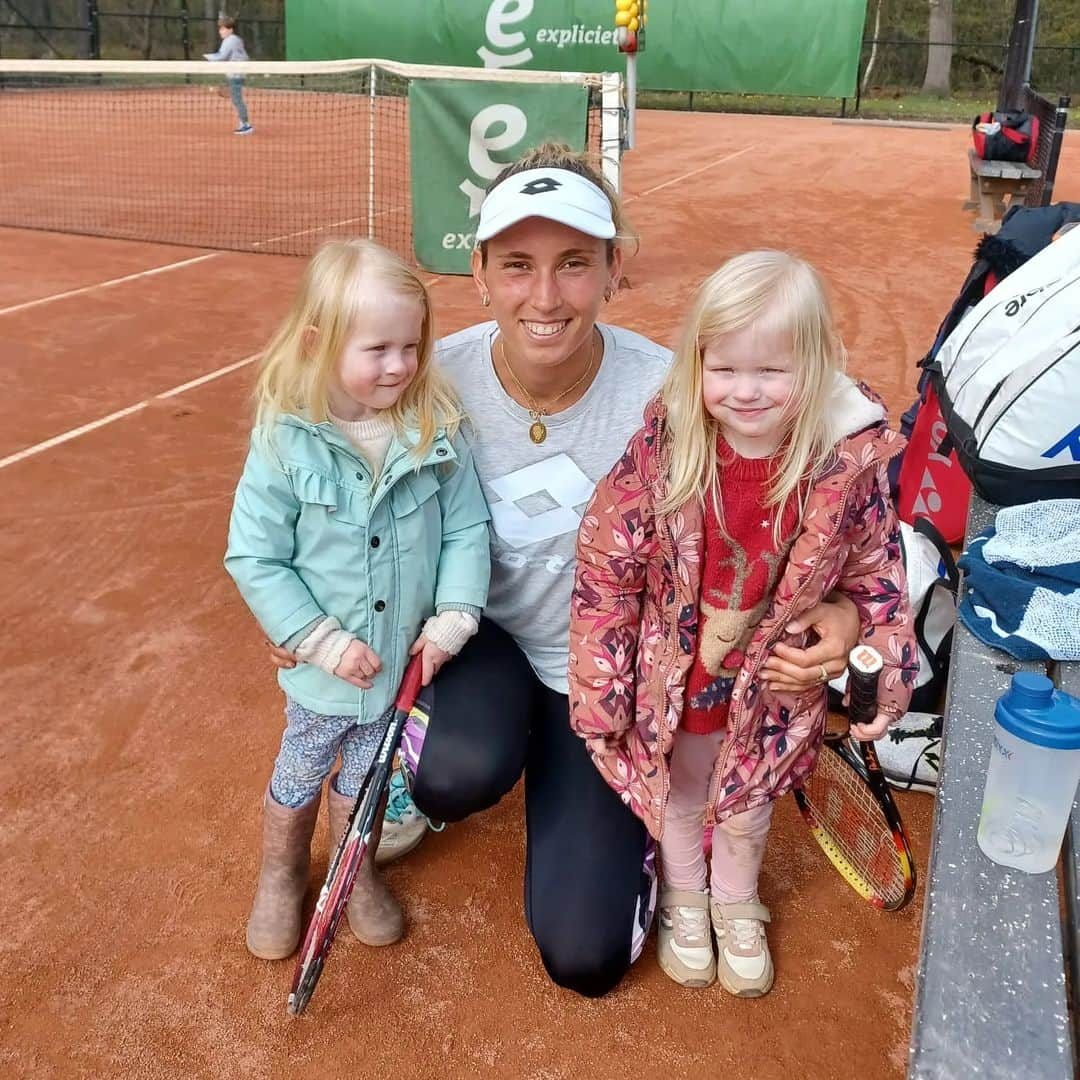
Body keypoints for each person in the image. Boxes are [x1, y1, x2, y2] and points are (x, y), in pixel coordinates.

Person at [268, 144, 864, 997]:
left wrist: (839, 614)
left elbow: (792, 518)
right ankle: (427, 774)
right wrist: (304, 619)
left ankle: (623, 811)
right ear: (479, 272)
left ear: (615, 269)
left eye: (574, 265)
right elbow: (324, 489)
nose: (544, 297)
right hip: (481, 644)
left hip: (615, 681)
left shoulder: (676, 394)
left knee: (584, 958)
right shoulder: (424, 382)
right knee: (457, 770)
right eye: (517, 265)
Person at [567, 250, 918, 997]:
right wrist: (602, 691)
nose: (747, 391)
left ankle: (735, 902)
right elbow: (605, 571)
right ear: (697, 363)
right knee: (685, 794)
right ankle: (687, 901)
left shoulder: (844, 464)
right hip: (678, 685)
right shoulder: (663, 452)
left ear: (819, 366)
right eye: (725, 369)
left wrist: (872, 655)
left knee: (750, 803)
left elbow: (878, 575)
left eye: (774, 371)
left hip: (777, 689)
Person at [225, 239, 490, 960]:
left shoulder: (434, 423)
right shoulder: (285, 438)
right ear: (319, 343)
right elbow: (255, 556)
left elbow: (467, 524)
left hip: (401, 669)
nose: (401, 365)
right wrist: (319, 640)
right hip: (325, 673)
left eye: (412, 345)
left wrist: (456, 615)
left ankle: (354, 870)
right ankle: (280, 876)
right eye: (378, 348)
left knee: (371, 774)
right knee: (302, 768)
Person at [204, 16, 253, 135]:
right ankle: (245, 123)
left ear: (230, 30)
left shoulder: (230, 40)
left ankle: (246, 125)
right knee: (237, 98)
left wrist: (207, 57)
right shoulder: (236, 39)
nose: (221, 31)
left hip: (236, 73)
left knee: (237, 99)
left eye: (223, 29)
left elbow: (221, 56)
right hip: (238, 73)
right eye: (220, 29)